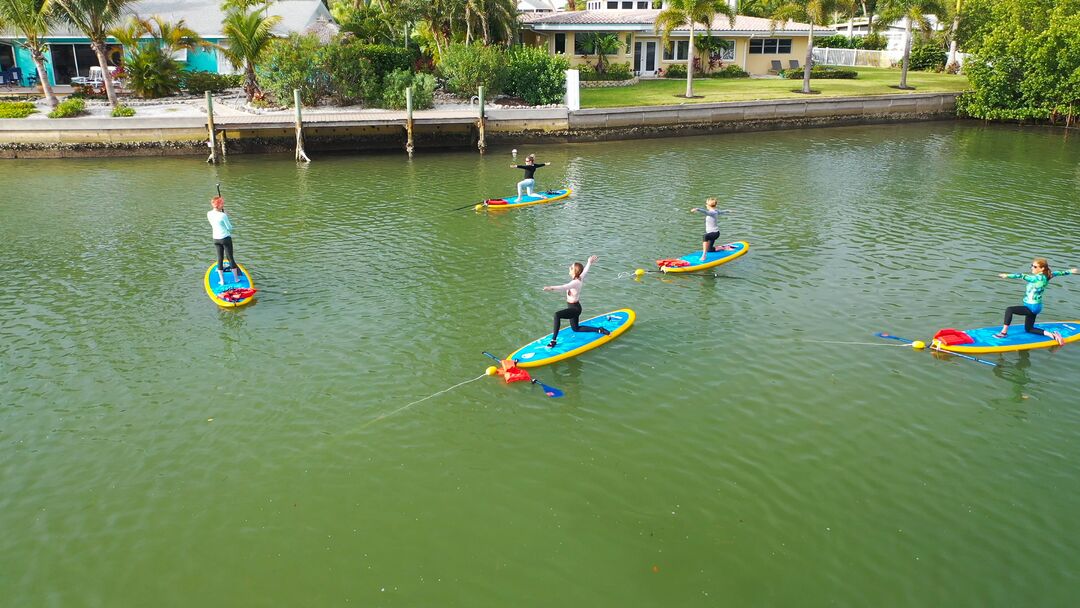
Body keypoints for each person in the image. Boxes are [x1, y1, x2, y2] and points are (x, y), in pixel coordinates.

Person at [994, 258, 1077, 345]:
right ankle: (1052, 335)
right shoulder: (1047, 275)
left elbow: (1021, 275)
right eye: (1032, 266)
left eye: (1034, 266)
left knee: (1009, 310)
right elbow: (1059, 273)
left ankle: (1003, 333)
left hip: (1031, 307)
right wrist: (1071, 271)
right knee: (1029, 329)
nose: (1032, 268)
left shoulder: (1037, 278)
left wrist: (1006, 275)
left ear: (1042, 268)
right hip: (1036, 307)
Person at [542, 255, 610, 348]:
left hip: (575, 308)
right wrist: (589, 262)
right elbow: (585, 270)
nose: (569, 267)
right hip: (574, 307)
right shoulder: (579, 278)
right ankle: (599, 330)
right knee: (576, 328)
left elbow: (563, 287)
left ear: (576, 271)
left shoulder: (575, 282)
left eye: (572, 267)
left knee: (557, 315)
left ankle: (553, 341)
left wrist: (550, 288)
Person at [207, 195, 241, 285]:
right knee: (230, 258)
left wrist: (223, 214)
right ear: (219, 205)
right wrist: (225, 215)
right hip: (225, 238)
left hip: (216, 239)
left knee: (220, 258)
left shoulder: (209, 213)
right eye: (222, 204)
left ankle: (222, 281)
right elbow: (230, 228)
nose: (223, 205)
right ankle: (236, 279)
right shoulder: (223, 215)